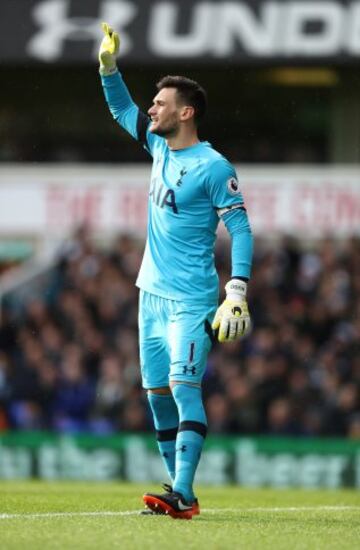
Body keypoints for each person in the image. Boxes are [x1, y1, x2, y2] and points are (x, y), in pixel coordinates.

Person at [98, 23, 253, 519]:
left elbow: (242, 228)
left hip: (191, 300)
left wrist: (237, 290)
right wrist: (108, 68)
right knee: (157, 396)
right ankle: (176, 489)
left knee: (185, 388)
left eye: (161, 103)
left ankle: (183, 493)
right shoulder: (160, 147)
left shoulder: (213, 167)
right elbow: (123, 110)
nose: (152, 109)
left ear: (186, 112)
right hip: (150, 295)